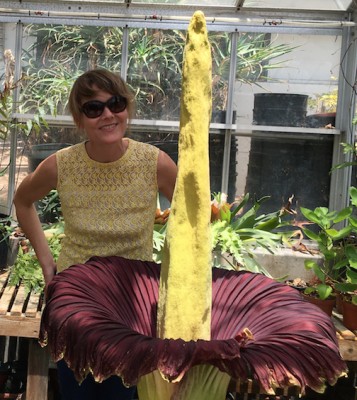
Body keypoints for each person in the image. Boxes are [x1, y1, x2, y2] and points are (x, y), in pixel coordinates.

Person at [13, 68, 177, 400]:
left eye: (115, 104)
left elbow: (194, 219)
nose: (107, 115)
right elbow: (22, 200)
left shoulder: (154, 163)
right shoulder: (61, 165)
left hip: (132, 308)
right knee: (77, 393)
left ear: (127, 108)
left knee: (121, 394)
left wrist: (171, 277)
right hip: (75, 304)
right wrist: (48, 265)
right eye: (93, 108)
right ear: (80, 119)